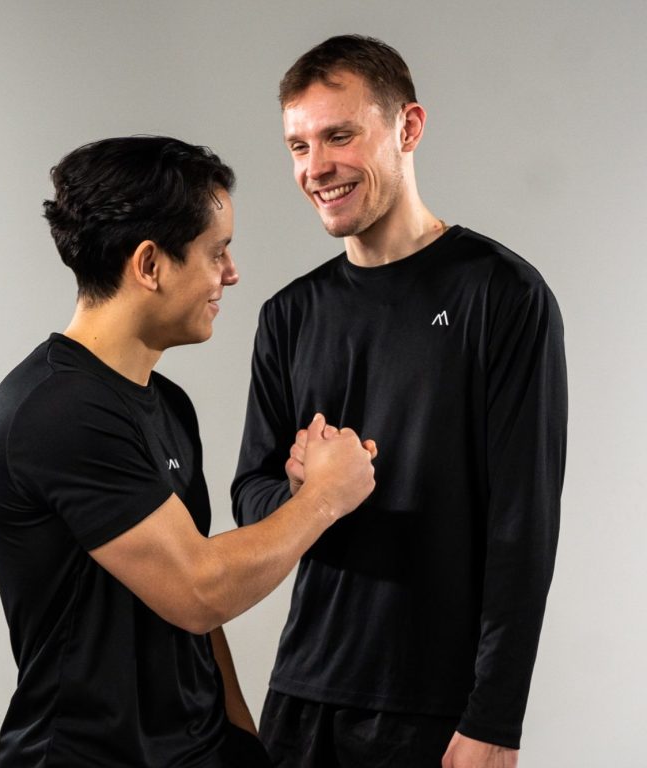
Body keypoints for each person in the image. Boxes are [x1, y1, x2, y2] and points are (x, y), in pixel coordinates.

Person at [0, 135, 377, 768]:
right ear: (149, 265)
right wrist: (326, 498)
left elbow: (198, 613)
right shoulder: (56, 409)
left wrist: (242, 741)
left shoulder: (167, 404)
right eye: (216, 252)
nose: (231, 273)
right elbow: (199, 588)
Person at [232, 35, 567, 768]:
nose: (315, 168)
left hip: (438, 710)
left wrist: (495, 720)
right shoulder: (289, 315)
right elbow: (251, 495)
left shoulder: (502, 295)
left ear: (408, 128)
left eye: (339, 136)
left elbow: (523, 527)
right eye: (298, 146)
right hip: (302, 695)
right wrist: (312, 492)